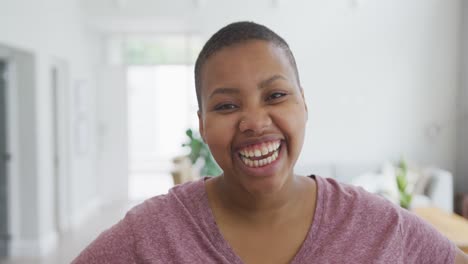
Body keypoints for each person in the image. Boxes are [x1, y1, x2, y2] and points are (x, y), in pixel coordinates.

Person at [72, 21, 468, 264]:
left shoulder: (378, 224)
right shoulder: (154, 232)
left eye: (276, 95)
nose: (255, 122)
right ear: (203, 125)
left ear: (304, 104)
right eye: (227, 105)